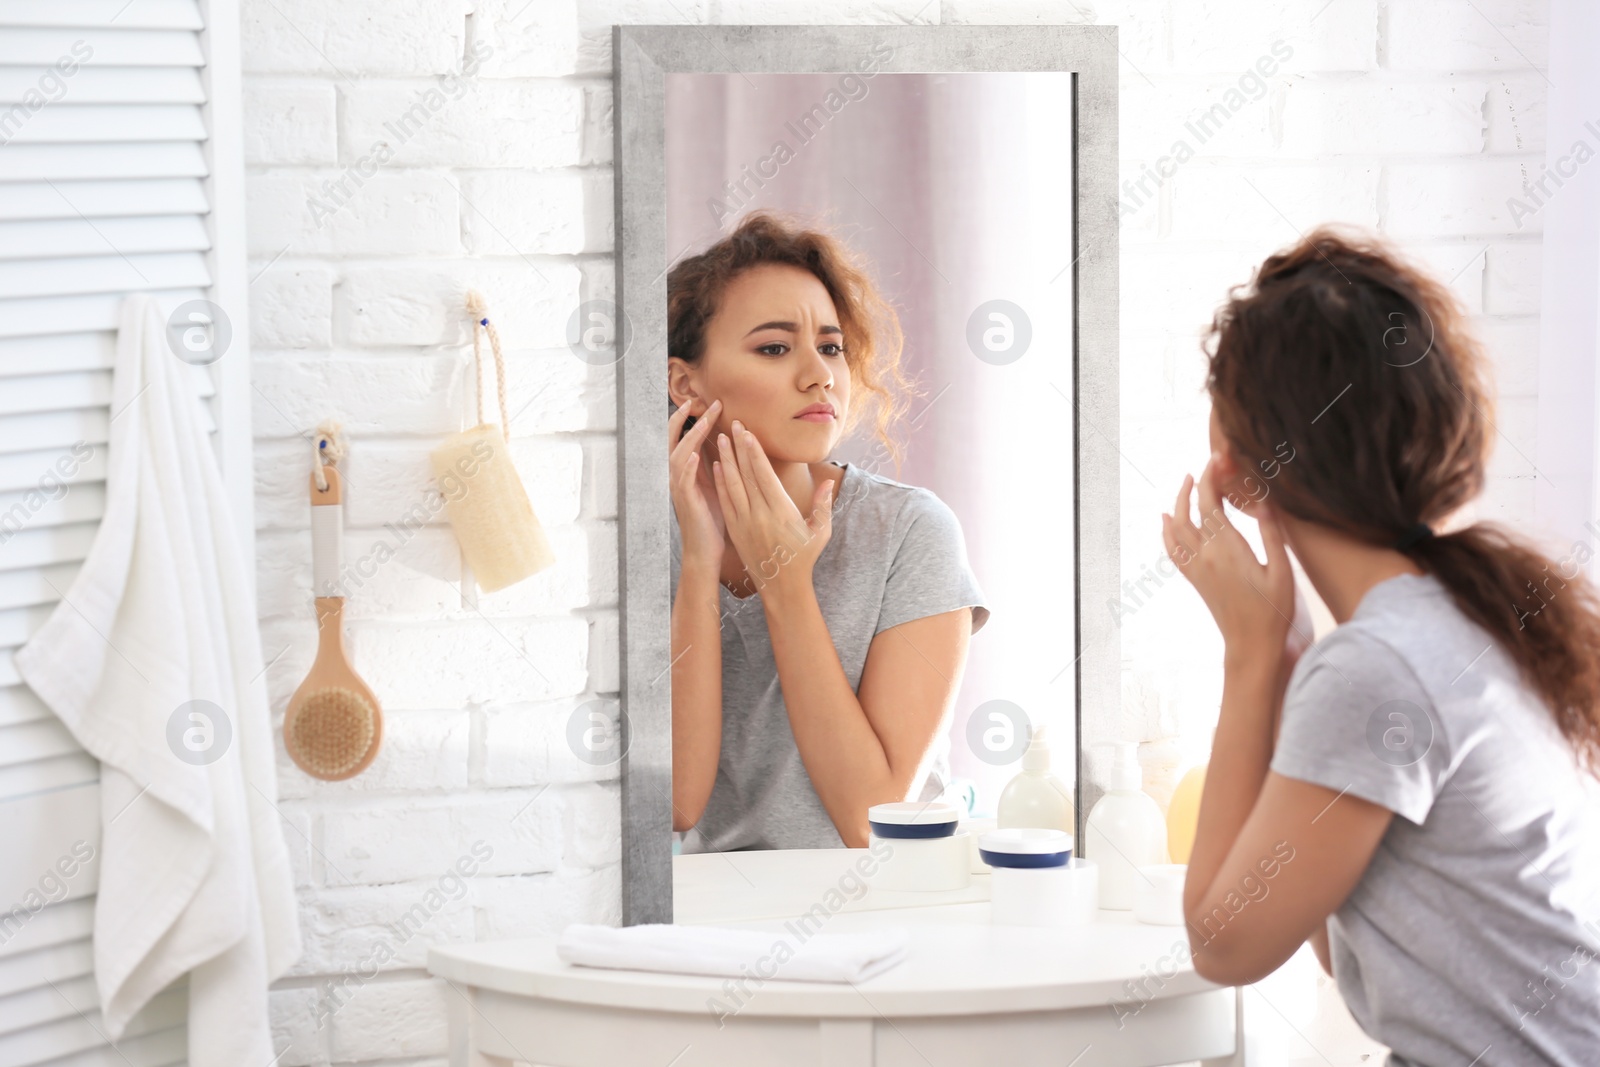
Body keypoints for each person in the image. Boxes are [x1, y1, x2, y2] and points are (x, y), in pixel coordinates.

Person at [1162, 225, 1600, 1066]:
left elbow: (1223, 943)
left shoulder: (1378, 664)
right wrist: (1286, 655)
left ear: (1241, 471)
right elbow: (1326, 927)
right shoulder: (1464, 615)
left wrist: (1255, 657)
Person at [666, 210, 991, 853]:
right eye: (775, 347)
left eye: (832, 347)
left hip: (888, 907)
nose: (820, 375)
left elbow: (873, 822)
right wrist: (700, 562)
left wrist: (787, 585)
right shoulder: (651, 542)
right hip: (716, 919)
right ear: (687, 384)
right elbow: (678, 804)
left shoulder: (909, 532)